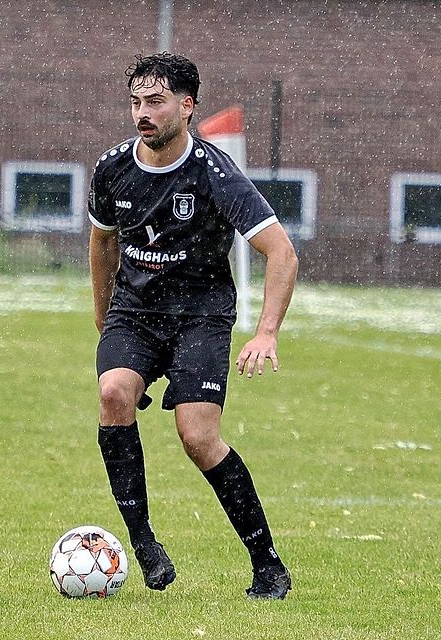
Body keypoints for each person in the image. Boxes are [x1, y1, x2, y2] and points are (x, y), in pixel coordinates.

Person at [88, 52, 298, 599]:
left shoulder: (214, 173)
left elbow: (281, 253)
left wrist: (266, 331)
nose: (143, 113)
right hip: (134, 314)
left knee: (198, 437)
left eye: (155, 102)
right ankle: (143, 544)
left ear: (187, 105)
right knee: (113, 392)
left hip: (200, 316)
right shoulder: (111, 168)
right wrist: (102, 317)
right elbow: (102, 240)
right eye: (136, 101)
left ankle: (267, 563)